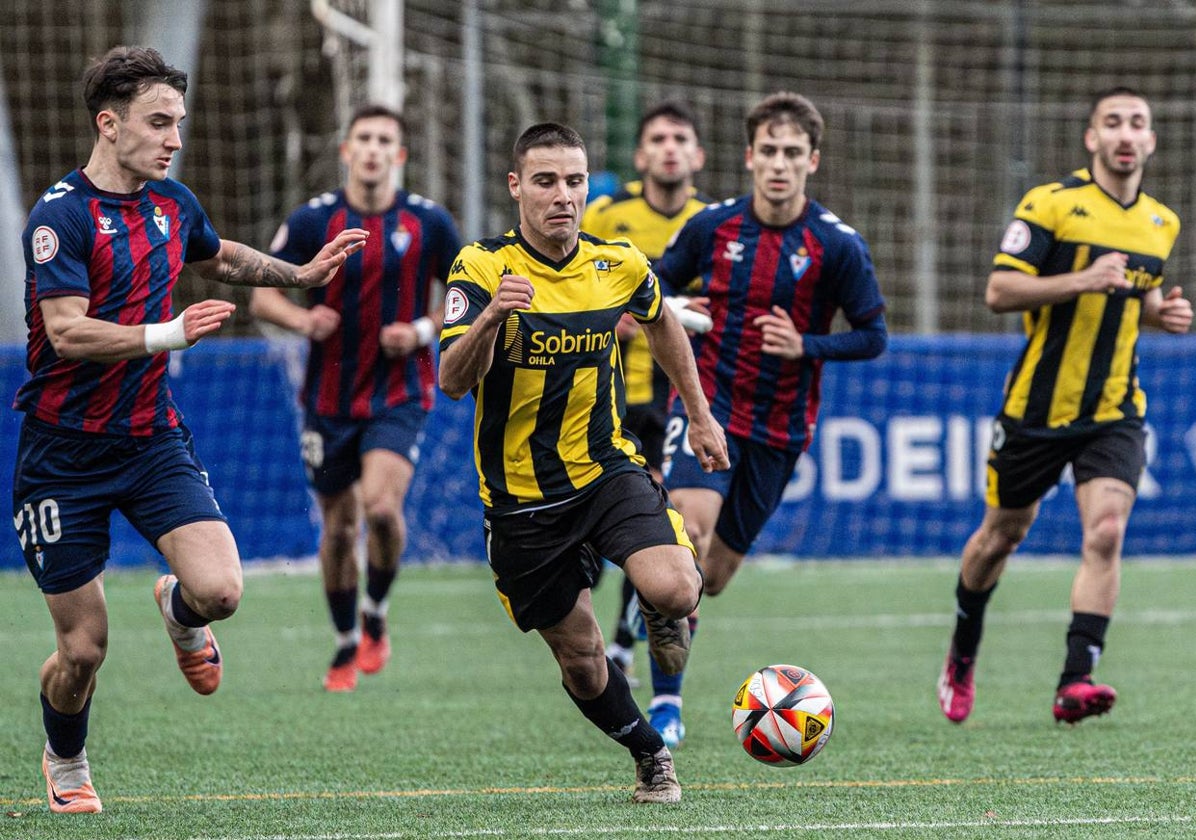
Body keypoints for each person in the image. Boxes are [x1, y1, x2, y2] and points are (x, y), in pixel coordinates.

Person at [12, 46, 368, 814]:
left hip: (149, 440)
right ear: (109, 125)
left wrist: (299, 275)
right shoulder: (60, 216)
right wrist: (168, 335)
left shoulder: (173, 203)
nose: (174, 138)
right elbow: (68, 333)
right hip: (61, 456)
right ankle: (66, 760)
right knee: (83, 650)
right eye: (158, 122)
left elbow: (217, 257)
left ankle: (178, 611)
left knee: (221, 590)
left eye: (179, 122)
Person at [437, 122, 729, 803]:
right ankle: (648, 752)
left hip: (605, 470)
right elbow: (452, 380)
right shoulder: (480, 267)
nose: (562, 195)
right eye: (545, 181)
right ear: (516, 187)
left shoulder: (618, 262)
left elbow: (661, 319)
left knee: (680, 588)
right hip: (520, 500)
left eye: (573, 181)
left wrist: (702, 412)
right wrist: (491, 319)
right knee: (584, 660)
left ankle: (659, 605)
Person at [936, 86, 1193, 725]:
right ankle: (963, 650)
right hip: (1037, 410)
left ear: (1152, 140)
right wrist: (1082, 278)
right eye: (1113, 122)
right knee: (1001, 536)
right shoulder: (1051, 205)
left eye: (1138, 123)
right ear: (1092, 138)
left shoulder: (1161, 223)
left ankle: (1076, 680)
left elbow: (1137, 296)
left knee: (1106, 530)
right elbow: (999, 291)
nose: (1126, 134)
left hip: (1114, 409)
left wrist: (1163, 312)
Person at [650, 91, 888, 745]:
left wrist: (807, 345)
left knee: (714, 578)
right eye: (769, 152)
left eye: (793, 154)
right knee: (687, 542)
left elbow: (873, 335)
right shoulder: (713, 229)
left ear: (812, 161)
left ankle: (650, 587)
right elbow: (650, 285)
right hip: (709, 405)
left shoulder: (836, 245)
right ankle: (666, 705)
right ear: (749, 157)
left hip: (781, 428)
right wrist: (674, 304)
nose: (779, 165)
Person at [250, 105, 461, 692]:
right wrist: (301, 318)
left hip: (400, 390)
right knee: (339, 528)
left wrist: (421, 332)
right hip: (328, 398)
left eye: (384, 140)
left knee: (381, 509)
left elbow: (467, 296)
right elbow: (262, 299)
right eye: (362, 138)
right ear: (346, 151)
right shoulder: (315, 219)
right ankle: (346, 641)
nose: (372, 149)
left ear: (399, 155)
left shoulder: (429, 222)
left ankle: (377, 610)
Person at [580, 100, 709, 695]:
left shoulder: (713, 225)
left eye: (680, 138)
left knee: (658, 518)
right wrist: (613, 317)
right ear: (640, 155)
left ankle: (631, 646)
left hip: (669, 405)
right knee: (596, 535)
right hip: (598, 397)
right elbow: (572, 285)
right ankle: (622, 638)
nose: (668, 148)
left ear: (698, 156)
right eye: (656, 138)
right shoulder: (608, 213)